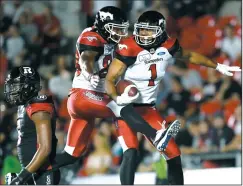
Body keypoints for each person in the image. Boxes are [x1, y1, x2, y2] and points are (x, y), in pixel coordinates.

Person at [105, 10, 241, 185]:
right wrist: (117, 98)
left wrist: (217, 66)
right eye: (141, 30)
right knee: (131, 152)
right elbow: (110, 79)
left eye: (149, 30)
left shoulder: (168, 45)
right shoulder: (128, 47)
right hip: (127, 106)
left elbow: (190, 55)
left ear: (160, 31)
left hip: (149, 108)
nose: (143, 34)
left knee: (174, 154)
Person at [48, 6, 178, 172]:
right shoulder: (91, 36)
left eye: (121, 29)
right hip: (84, 93)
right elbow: (86, 58)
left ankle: (23, 177)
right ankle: (156, 135)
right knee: (122, 106)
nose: (119, 33)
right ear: (103, 25)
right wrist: (90, 73)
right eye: (115, 29)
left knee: (72, 154)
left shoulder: (114, 42)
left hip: (93, 97)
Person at [4, 66, 60, 185]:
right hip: (32, 172)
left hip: (44, 172)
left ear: (27, 87)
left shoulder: (38, 107)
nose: (11, 91)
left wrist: (20, 178)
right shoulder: (24, 106)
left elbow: (45, 149)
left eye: (15, 87)